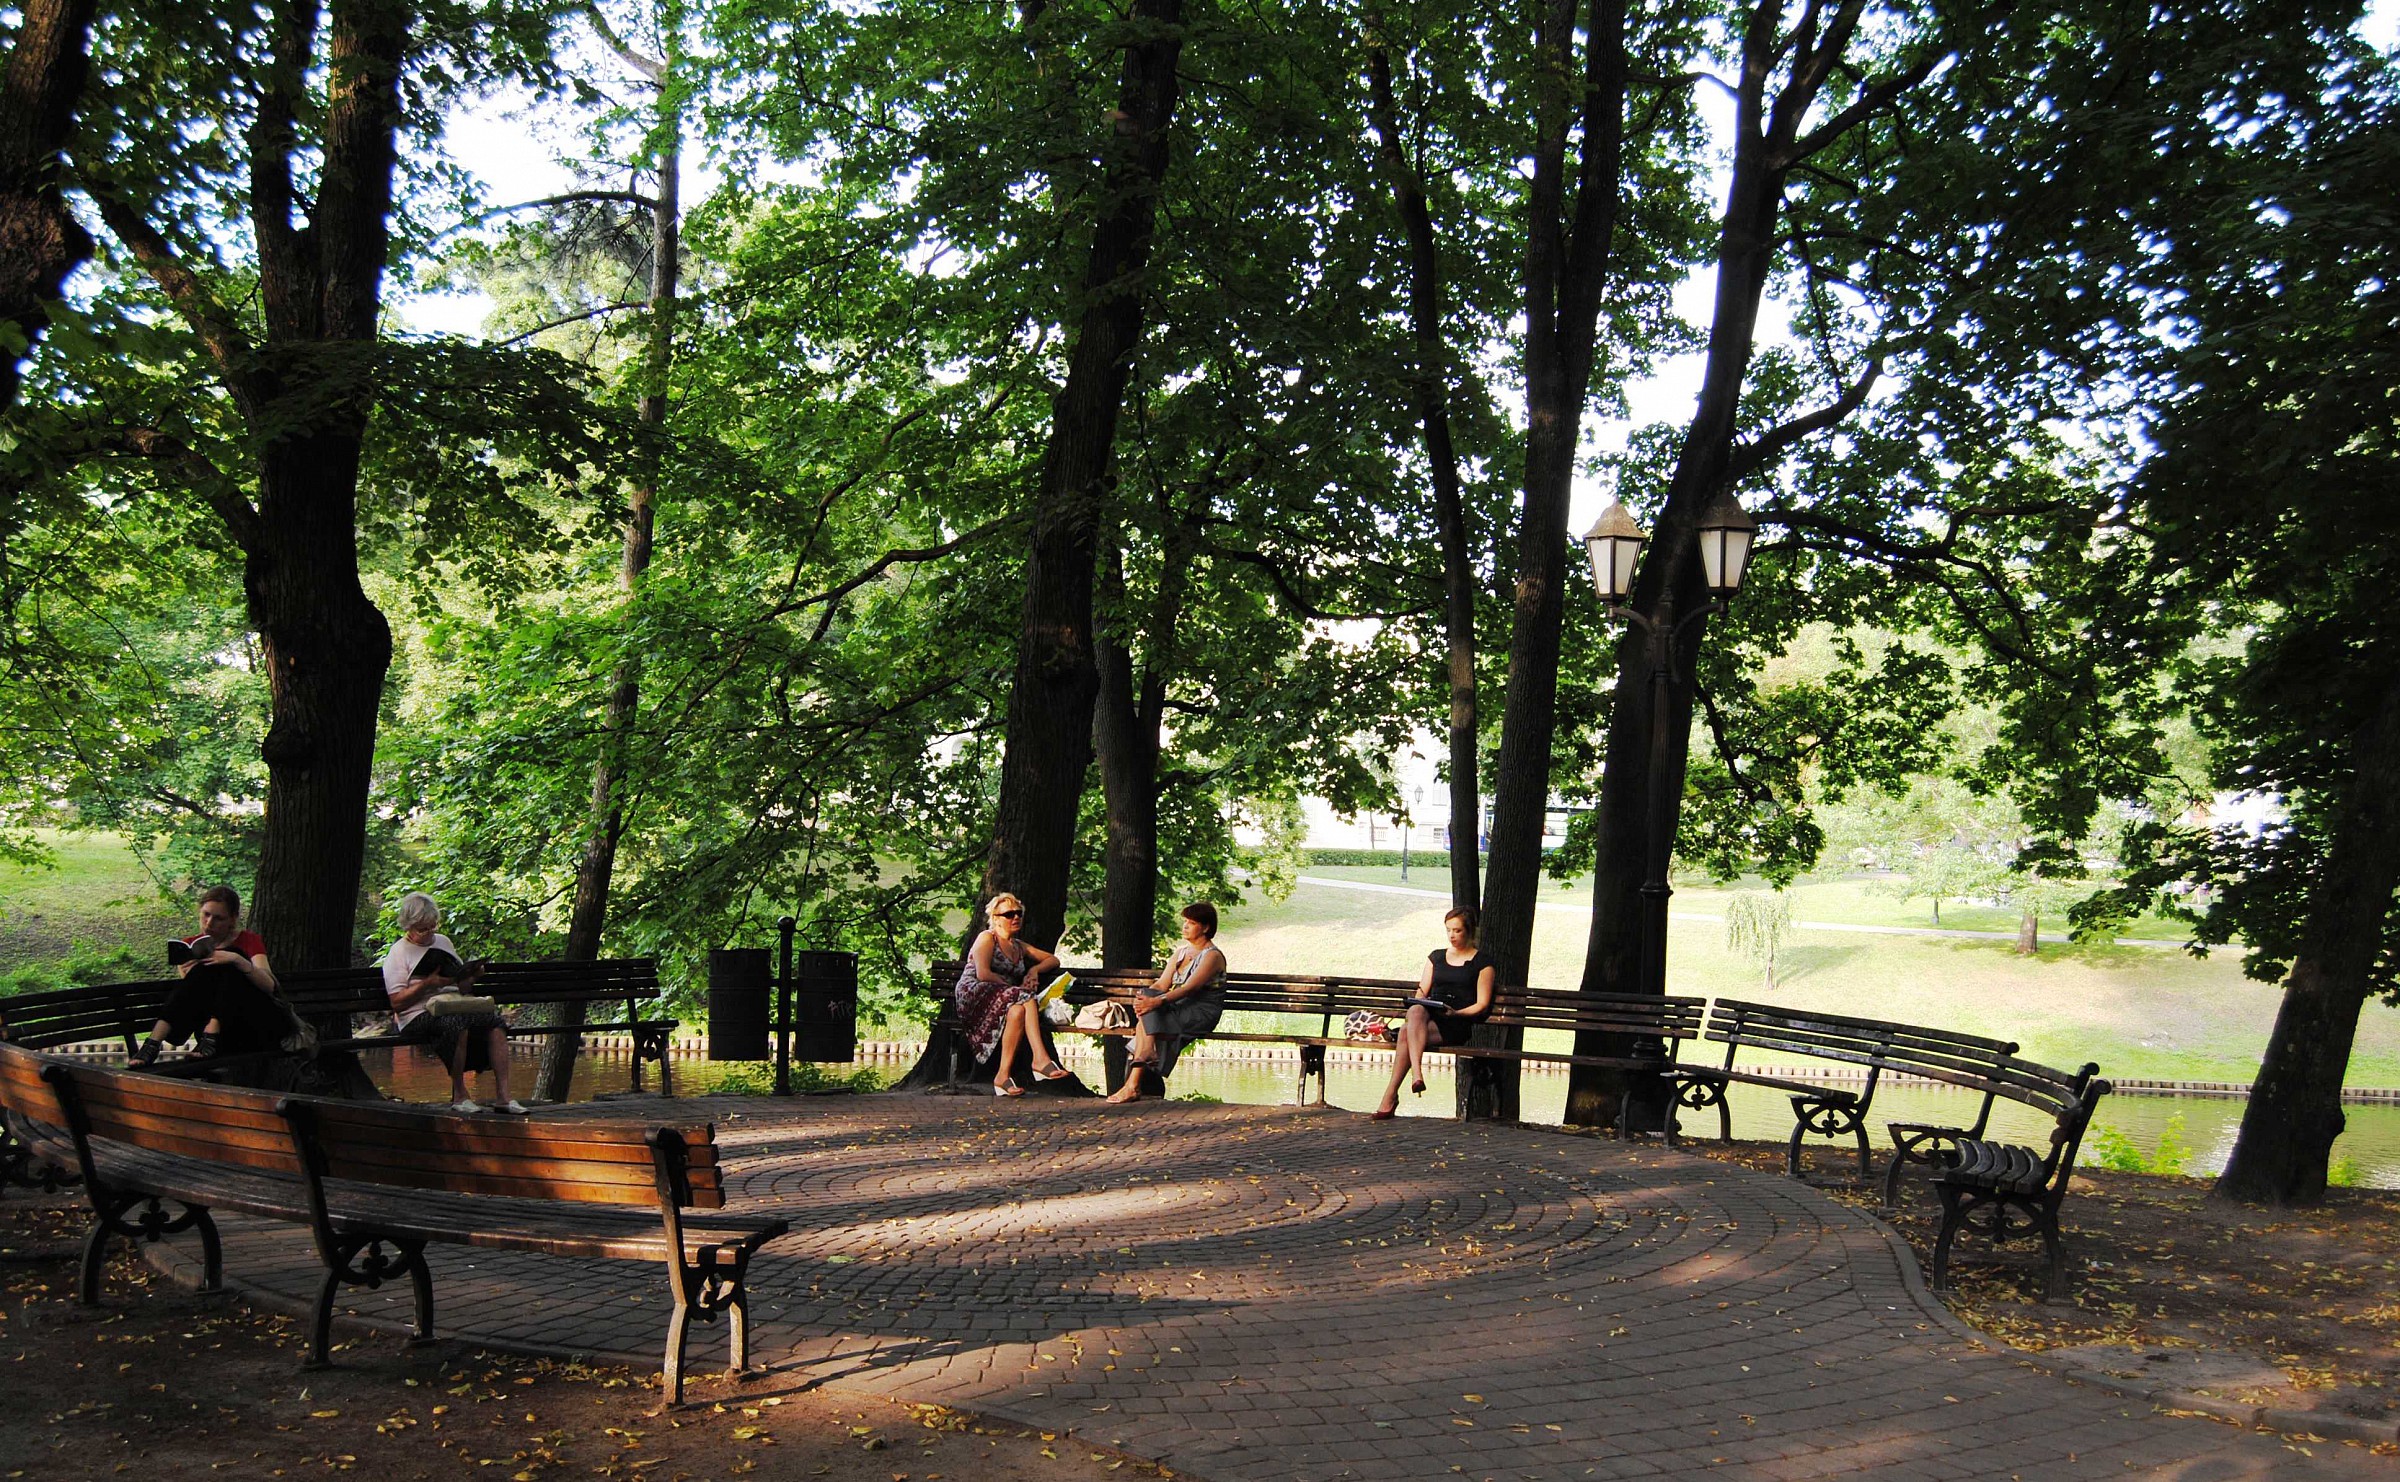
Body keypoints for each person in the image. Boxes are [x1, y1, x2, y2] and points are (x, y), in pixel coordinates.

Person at [381, 892, 524, 1113]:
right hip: (418, 1014)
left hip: (455, 1004)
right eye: (422, 929)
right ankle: (459, 1095)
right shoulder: (399, 953)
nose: (429, 933)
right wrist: (427, 984)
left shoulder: (443, 942)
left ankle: (504, 1097)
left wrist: (471, 976)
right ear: (408, 926)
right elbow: (397, 1003)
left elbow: (461, 988)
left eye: (432, 926)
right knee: (457, 1024)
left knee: (495, 1023)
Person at [134, 885, 285, 1063]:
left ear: (233, 919)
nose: (209, 923)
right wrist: (191, 973)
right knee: (207, 967)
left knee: (231, 962)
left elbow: (269, 985)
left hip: (250, 1025)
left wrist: (236, 959)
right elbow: (195, 998)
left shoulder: (248, 940)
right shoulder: (191, 945)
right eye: (206, 914)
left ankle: (209, 1033)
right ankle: (152, 1044)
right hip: (205, 1028)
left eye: (218, 918)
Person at [1372, 905, 1496, 1119]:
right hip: (1428, 1017)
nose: (1452, 935)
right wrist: (1416, 1001)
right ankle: (1416, 1074)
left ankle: (1391, 1096)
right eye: (1448, 930)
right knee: (1417, 1008)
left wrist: (1456, 1014)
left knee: (1404, 1032)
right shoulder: (1436, 957)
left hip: (1456, 1022)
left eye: (1457, 930)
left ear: (1469, 931)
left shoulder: (1483, 963)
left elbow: (1482, 1004)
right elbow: (1422, 991)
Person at [1105, 902, 1224, 1105]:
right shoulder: (1180, 953)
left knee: (1149, 1014)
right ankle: (1142, 1061)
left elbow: (1189, 989)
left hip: (1200, 1010)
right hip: (1176, 1007)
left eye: (1192, 922)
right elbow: (1162, 984)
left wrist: (1155, 1002)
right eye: (1185, 921)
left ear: (1205, 927)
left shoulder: (1212, 956)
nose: (1185, 926)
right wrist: (1146, 997)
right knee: (1148, 1001)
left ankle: (1133, 1083)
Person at [954, 892, 1068, 1097]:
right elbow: (983, 974)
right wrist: (1013, 988)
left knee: (1017, 1011)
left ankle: (1002, 1077)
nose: (1015, 917)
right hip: (974, 992)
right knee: (1025, 997)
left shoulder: (1018, 946)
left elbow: (1052, 960)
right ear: (995, 919)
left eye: (1018, 913)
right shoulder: (987, 938)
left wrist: (1034, 970)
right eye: (1008, 914)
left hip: (1002, 995)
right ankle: (1040, 1058)